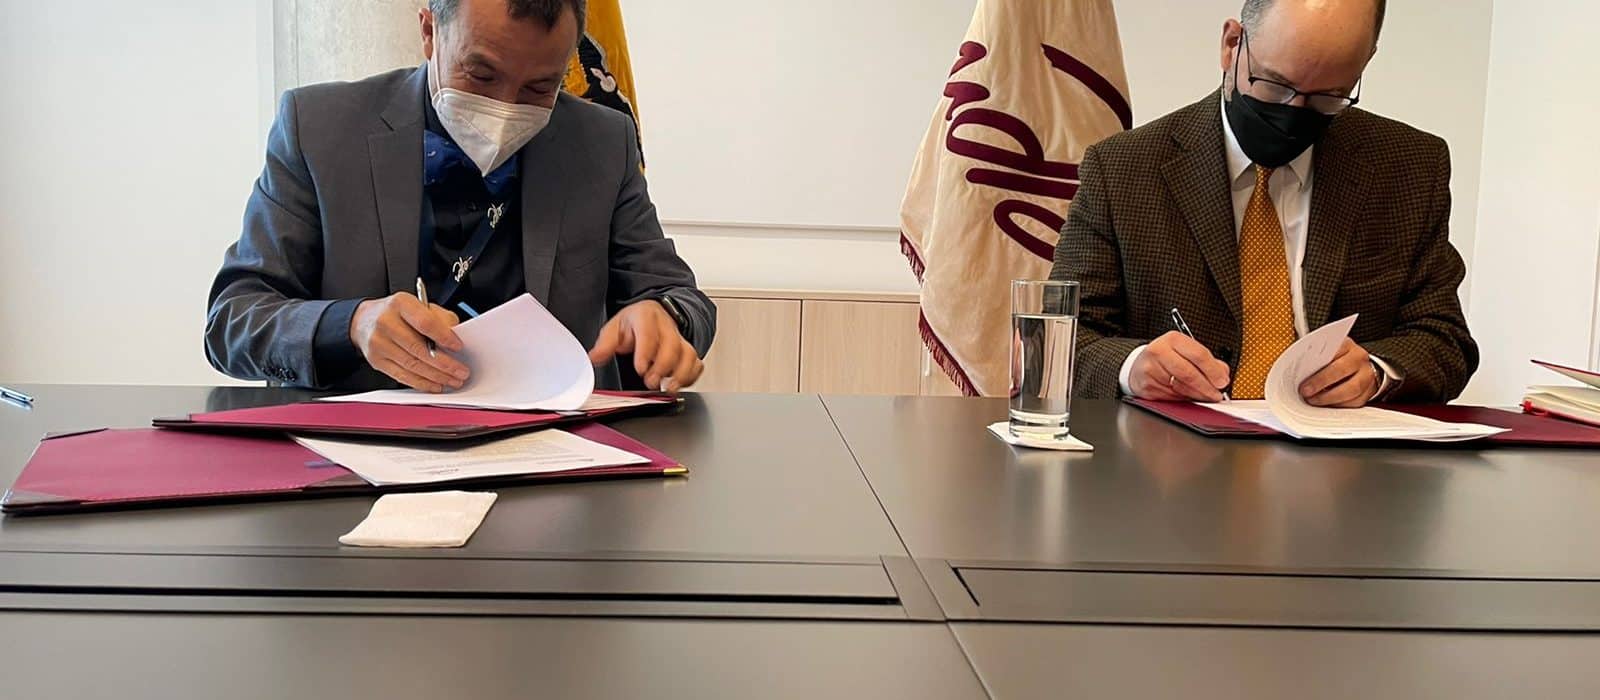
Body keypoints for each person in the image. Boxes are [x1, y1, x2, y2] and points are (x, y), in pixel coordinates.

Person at [205, 0, 714, 394]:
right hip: (358, 458)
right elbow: (233, 318)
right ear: (429, 31)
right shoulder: (318, 128)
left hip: (550, 455)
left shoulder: (601, 141)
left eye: (540, 88)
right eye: (481, 75)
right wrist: (352, 324)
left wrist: (663, 317)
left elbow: (680, 296)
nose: (505, 108)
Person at [1051, 0, 1476, 406]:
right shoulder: (1123, 168)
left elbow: (1445, 339)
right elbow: (1061, 337)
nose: (1293, 112)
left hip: (1339, 448)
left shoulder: (1409, 166)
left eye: (1328, 96)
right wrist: (1133, 367)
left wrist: (1377, 371)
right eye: (1274, 85)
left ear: (1364, 64)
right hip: (1173, 449)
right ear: (1232, 44)